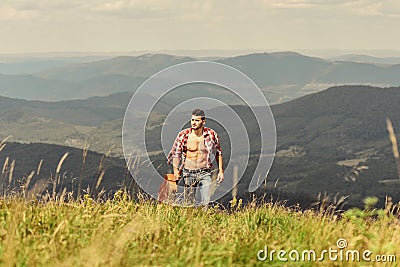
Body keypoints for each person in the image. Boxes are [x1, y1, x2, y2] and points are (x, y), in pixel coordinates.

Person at [167, 108, 224, 206]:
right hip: (188, 172)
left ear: (203, 121)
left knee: (206, 201)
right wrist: (176, 171)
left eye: (197, 120)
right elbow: (176, 153)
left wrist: (221, 171)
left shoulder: (211, 134)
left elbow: (218, 152)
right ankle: (190, 221)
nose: (193, 123)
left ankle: (203, 219)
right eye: (192, 120)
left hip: (204, 172)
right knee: (189, 203)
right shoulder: (184, 135)